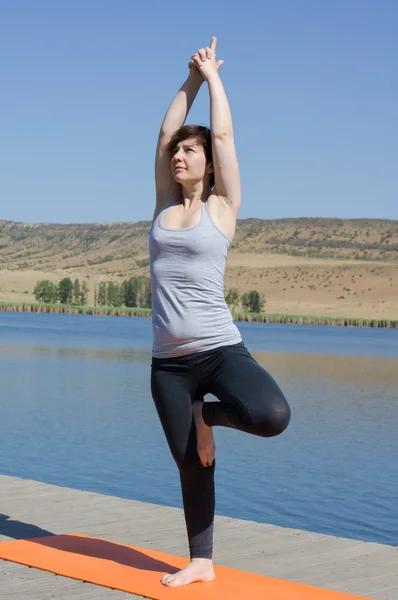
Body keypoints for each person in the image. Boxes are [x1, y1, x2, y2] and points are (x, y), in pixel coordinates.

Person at [149, 37, 291, 588]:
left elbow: (225, 133)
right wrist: (186, 80)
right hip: (168, 364)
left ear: (208, 165)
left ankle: (207, 416)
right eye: (177, 153)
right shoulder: (163, 205)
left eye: (190, 151)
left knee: (271, 415)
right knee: (192, 464)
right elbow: (164, 133)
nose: (179, 155)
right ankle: (201, 560)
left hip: (220, 351)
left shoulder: (223, 208)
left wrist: (213, 78)